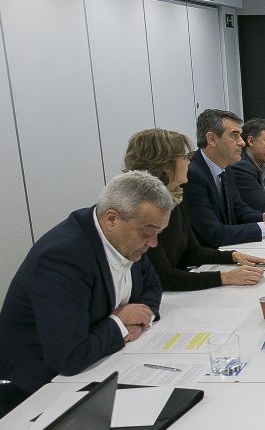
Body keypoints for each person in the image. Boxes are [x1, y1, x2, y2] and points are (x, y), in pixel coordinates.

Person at [0, 171, 170, 415]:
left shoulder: (127, 240)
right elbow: (69, 357)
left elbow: (153, 286)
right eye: (147, 232)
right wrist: (120, 324)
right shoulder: (63, 257)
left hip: (99, 363)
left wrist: (141, 318)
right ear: (112, 219)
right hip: (34, 393)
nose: (153, 243)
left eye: (158, 233)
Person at [124, 128, 265, 291]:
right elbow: (164, 278)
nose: (189, 162)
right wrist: (225, 277)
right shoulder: (142, 211)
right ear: (166, 165)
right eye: (184, 157)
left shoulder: (174, 198)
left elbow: (192, 251)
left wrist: (233, 256)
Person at [184, 109, 265, 247]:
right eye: (234, 135)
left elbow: (239, 210)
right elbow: (213, 233)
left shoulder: (226, 168)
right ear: (212, 139)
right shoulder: (192, 175)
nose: (242, 142)